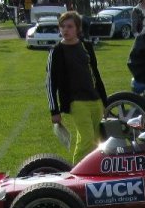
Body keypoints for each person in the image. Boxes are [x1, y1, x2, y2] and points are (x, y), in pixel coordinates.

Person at [46, 11, 107, 163]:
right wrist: (54, 110)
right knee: (86, 139)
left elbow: (95, 73)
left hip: (95, 99)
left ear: (78, 28)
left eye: (70, 26)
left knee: (97, 139)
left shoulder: (86, 46)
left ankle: (94, 171)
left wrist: (104, 100)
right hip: (76, 102)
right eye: (62, 26)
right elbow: (50, 82)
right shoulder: (57, 51)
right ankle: (76, 175)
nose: (65, 30)